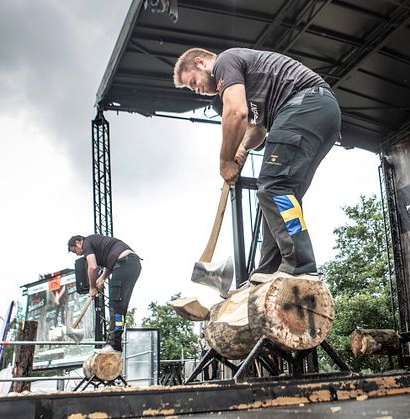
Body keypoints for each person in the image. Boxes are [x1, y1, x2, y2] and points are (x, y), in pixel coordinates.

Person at [173, 47, 341, 282]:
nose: (197, 90)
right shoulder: (247, 84)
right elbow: (257, 130)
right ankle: (270, 266)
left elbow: (236, 112)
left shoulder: (224, 62)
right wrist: (240, 151)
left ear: (201, 62)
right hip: (320, 111)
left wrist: (224, 161)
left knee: (273, 186)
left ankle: (301, 265)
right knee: (277, 195)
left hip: (305, 104)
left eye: (193, 82)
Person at [68, 234, 141, 352]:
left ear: (78, 243)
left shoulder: (86, 243)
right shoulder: (99, 244)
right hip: (133, 264)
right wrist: (102, 278)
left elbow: (92, 267)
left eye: (74, 251)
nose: (77, 254)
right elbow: (111, 263)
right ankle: (116, 343)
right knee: (120, 309)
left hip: (123, 264)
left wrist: (92, 287)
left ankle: (113, 345)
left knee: (115, 306)